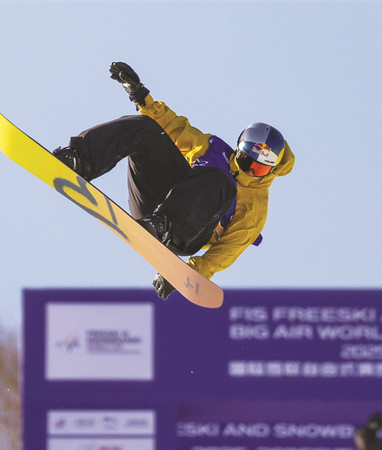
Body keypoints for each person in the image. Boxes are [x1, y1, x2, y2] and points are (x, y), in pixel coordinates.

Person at [53, 62, 295, 299]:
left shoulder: (255, 206)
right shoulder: (212, 149)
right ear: (239, 150)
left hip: (184, 233)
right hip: (152, 206)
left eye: (259, 169)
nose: (250, 171)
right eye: (245, 161)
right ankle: (80, 160)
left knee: (221, 182)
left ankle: (163, 225)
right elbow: (174, 127)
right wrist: (141, 96)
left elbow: (229, 249)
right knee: (146, 128)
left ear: (271, 170)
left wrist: (187, 274)